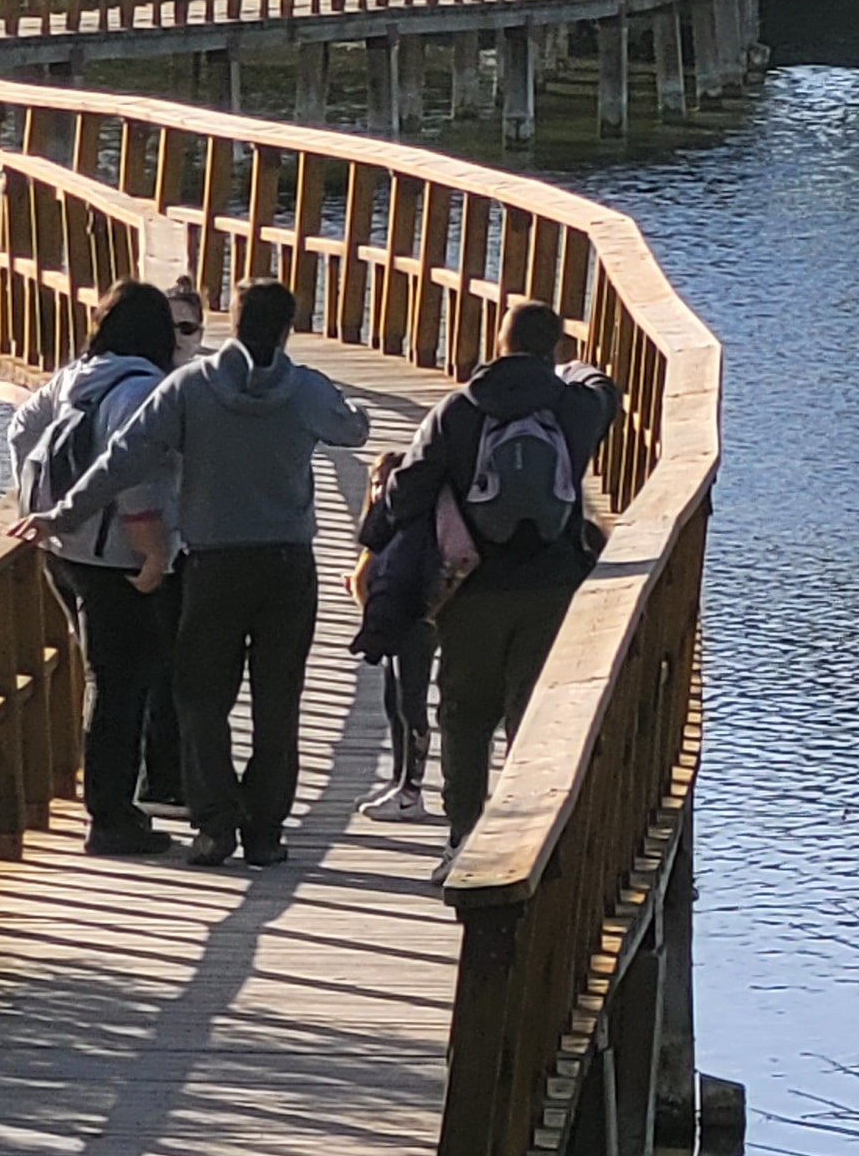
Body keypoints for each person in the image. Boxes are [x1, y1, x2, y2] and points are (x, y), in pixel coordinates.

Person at [31, 279, 366, 869]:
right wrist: (353, 409)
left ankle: (214, 827)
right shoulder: (306, 389)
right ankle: (264, 831)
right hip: (289, 565)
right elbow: (353, 431)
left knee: (200, 699)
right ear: (288, 328)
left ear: (231, 324)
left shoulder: (188, 387)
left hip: (213, 564)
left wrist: (60, 514)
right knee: (277, 699)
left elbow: (121, 461)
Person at [381, 300, 620, 840]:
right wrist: (574, 369)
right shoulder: (573, 406)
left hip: (473, 589)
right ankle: (529, 840)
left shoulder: (459, 410)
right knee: (534, 717)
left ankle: (463, 836)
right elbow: (607, 392)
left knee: (465, 716)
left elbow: (407, 491)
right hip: (554, 586)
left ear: (499, 341)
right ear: (554, 347)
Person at [3, 284, 182, 857]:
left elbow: (20, 432)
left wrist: (36, 506)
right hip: (117, 559)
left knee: (107, 678)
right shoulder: (142, 391)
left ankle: (114, 808)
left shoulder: (73, 378)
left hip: (65, 551)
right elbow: (136, 477)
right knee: (120, 686)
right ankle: (110, 817)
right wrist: (152, 551)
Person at [135, 275, 211, 812]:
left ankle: (172, 776)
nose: (180, 338)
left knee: (179, 667)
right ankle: (159, 779)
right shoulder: (143, 388)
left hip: (190, 545)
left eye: (189, 327)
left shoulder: (202, 386)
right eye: (171, 327)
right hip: (145, 545)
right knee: (156, 667)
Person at [347, 449, 441, 820]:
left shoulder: (410, 525)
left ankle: (412, 789)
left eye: (388, 482)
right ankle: (399, 779)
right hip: (394, 617)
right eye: (375, 483)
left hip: (417, 615)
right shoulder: (381, 526)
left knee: (411, 698)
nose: (380, 489)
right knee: (393, 698)